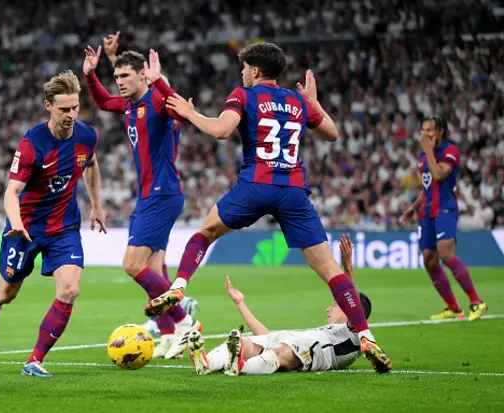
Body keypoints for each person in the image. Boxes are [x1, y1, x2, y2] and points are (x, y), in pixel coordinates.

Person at [143, 42, 391, 373]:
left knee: (205, 232)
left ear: (255, 71)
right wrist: (314, 103)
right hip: (293, 190)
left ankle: (178, 287)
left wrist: (190, 114)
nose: (242, 73)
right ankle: (365, 334)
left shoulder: (244, 95)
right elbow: (331, 133)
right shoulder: (297, 100)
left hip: (256, 184)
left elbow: (221, 130)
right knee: (331, 270)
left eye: (244, 67)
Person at [0, 70, 106, 377]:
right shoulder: (32, 144)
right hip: (25, 229)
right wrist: (16, 221)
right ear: (48, 106)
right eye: (64, 109)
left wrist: (97, 205)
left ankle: (34, 360)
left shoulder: (87, 136)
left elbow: (92, 163)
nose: (71, 115)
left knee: (70, 289)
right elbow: (11, 191)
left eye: (75, 108)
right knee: (8, 293)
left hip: (64, 228)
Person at [83, 44, 200, 359]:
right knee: (154, 272)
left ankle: (185, 320)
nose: (119, 81)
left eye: (125, 75)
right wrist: (91, 75)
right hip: (149, 194)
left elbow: (180, 111)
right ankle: (167, 335)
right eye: (116, 75)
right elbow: (103, 100)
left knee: (131, 265)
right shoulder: (128, 105)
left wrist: (160, 82)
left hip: (161, 194)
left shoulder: (158, 101)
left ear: (142, 77)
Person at [187, 234, 376, 376]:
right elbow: (266, 336)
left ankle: (242, 367)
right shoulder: (326, 331)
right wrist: (240, 303)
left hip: (310, 353)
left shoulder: (356, 338)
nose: (329, 308)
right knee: (245, 342)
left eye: (336, 305)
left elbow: (353, 305)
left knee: (282, 350)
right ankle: (206, 363)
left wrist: (348, 267)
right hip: (296, 342)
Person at [401, 116, 487, 321]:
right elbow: (428, 184)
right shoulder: (424, 154)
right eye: (422, 130)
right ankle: (454, 309)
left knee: (445, 253)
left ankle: (477, 302)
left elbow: (439, 175)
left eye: (429, 130)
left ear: (440, 131)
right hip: (427, 212)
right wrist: (414, 207)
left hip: (445, 209)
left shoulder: (450, 151)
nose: (425, 135)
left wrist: (429, 151)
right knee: (429, 260)